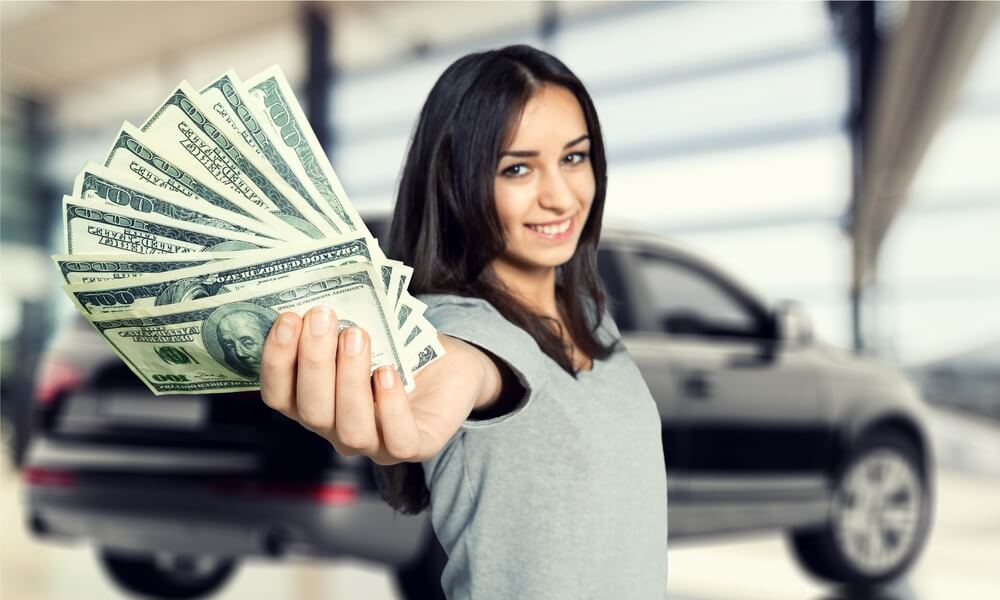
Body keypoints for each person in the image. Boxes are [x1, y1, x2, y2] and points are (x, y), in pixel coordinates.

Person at [259, 45, 667, 599]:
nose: (561, 196)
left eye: (574, 157)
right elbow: (470, 361)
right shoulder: (461, 326)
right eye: (517, 168)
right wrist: (432, 377)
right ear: (458, 182)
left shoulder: (592, 315)